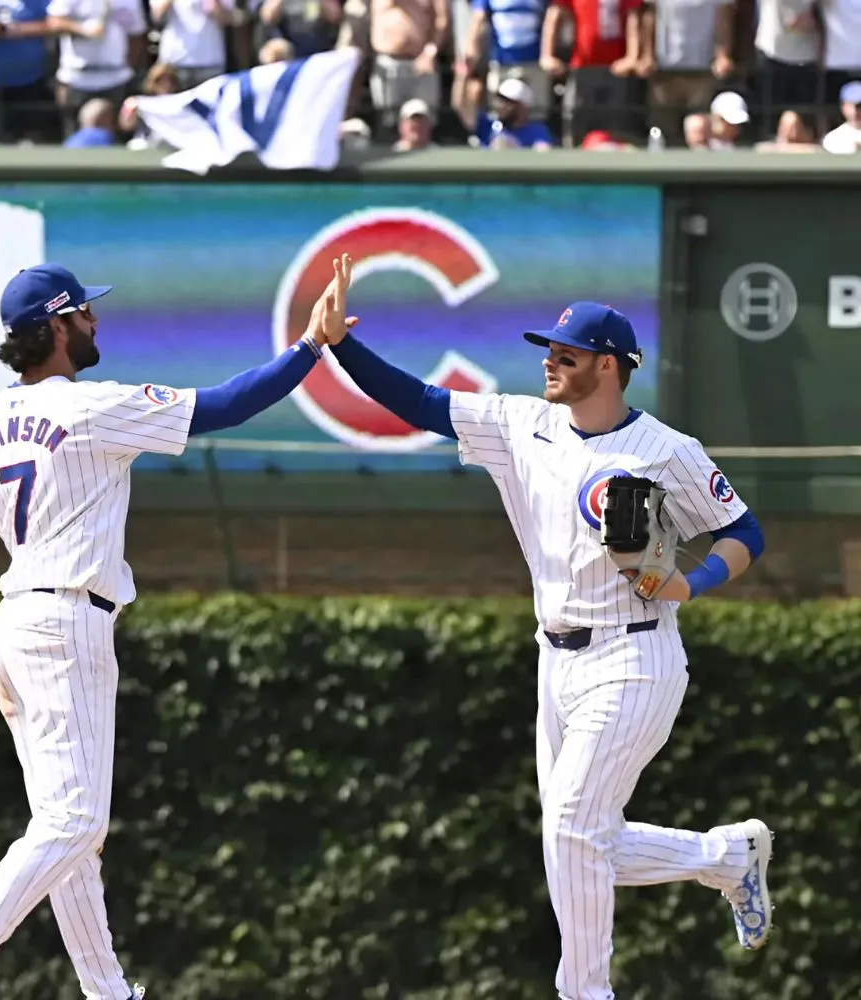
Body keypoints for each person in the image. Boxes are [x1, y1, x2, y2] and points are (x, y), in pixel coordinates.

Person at [318, 260, 773, 1000]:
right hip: (554, 662)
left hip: (636, 653)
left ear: (607, 366)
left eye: (565, 354)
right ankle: (725, 857)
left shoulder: (666, 449)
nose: (549, 362)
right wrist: (343, 347)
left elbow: (743, 531)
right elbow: (423, 402)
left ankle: (584, 993)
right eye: (548, 350)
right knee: (580, 840)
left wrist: (695, 582)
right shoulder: (520, 425)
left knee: (570, 830)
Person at [0, 260, 349, 999]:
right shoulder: (91, 407)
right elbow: (226, 406)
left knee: (68, 826)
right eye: (81, 313)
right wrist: (309, 347)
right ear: (52, 328)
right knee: (75, 822)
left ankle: (107, 990)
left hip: (11, 625)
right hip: (65, 620)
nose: (94, 321)